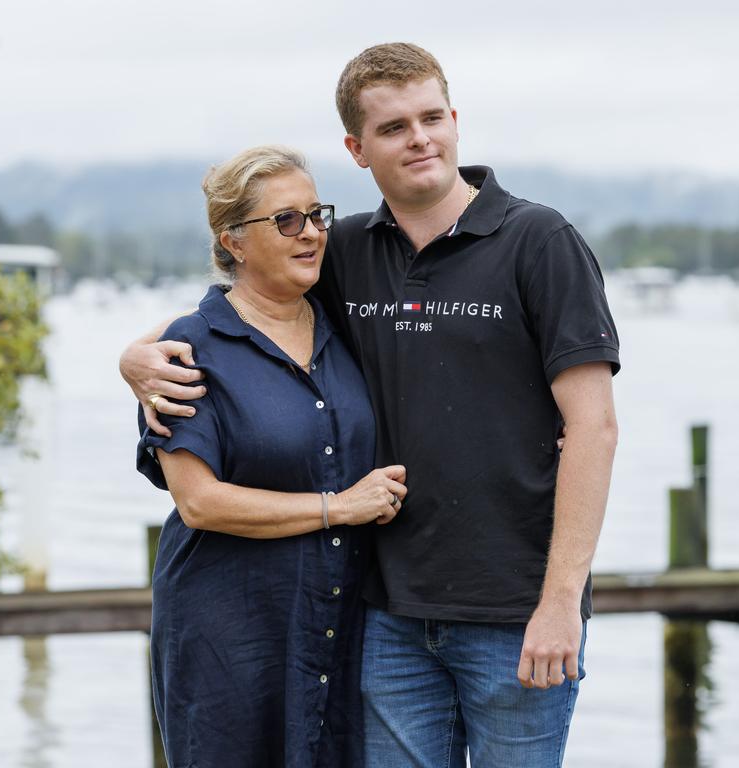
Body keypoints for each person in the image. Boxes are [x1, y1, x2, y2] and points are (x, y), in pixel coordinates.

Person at [122, 44, 619, 767]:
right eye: (393, 128)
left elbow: (594, 428)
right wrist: (135, 357)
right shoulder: (345, 248)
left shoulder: (539, 242)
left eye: (431, 118)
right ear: (357, 149)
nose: (420, 139)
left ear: (455, 121)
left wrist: (561, 601)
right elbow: (236, 313)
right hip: (384, 619)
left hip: (514, 615)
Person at [136, 145, 407, 768]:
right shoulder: (187, 350)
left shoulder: (346, 329)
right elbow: (199, 502)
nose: (312, 233)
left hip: (339, 631)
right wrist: (338, 508)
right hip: (229, 637)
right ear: (233, 240)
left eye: (318, 215)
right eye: (288, 221)